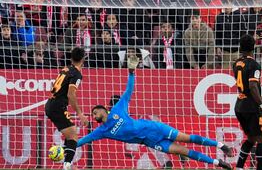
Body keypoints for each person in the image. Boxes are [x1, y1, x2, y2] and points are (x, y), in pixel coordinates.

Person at [76, 55, 233, 169]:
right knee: (184, 151)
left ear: (103, 109)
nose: (94, 116)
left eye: (95, 112)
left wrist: (131, 73)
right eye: (93, 115)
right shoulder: (102, 131)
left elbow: (128, 91)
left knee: (187, 138)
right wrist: (67, 148)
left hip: (154, 128)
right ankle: (218, 163)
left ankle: (221, 145)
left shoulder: (117, 109)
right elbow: (82, 140)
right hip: (152, 142)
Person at [45, 47, 89, 170]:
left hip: (51, 103)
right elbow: (71, 94)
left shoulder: (65, 69)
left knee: (71, 134)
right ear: (83, 59)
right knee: (73, 135)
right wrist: (80, 114)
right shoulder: (76, 73)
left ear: (71, 58)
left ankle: (62, 156)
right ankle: (67, 165)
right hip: (57, 106)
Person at [233, 35, 262, 170]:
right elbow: (253, 87)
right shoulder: (254, 64)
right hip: (251, 107)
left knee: (251, 138)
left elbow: (245, 86)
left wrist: (261, 97)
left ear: (240, 47)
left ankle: (239, 167)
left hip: (239, 105)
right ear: (254, 47)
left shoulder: (236, 63)